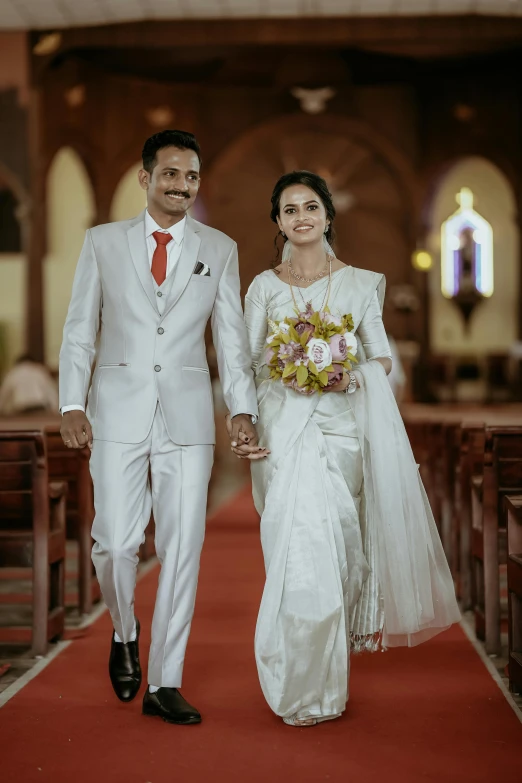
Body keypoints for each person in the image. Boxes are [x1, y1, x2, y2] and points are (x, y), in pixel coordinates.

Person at [231, 171, 460, 727]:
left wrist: (346, 373)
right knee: (294, 552)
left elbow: (382, 358)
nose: (301, 217)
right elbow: (248, 361)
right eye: (289, 210)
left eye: (311, 206)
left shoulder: (361, 283)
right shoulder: (263, 286)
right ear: (278, 221)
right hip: (284, 433)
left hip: (340, 435)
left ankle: (322, 686)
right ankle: (296, 678)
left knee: (332, 556)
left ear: (328, 215)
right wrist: (266, 395)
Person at [59, 130, 259, 725]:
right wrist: (73, 402)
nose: (181, 185)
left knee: (183, 549)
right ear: (146, 178)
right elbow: (79, 329)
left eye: (191, 177)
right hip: (115, 408)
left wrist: (240, 407)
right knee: (115, 542)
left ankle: (165, 681)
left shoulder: (219, 248)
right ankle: (124, 629)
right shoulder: (102, 243)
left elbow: (231, 338)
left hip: (188, 414)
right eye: (170, 174)